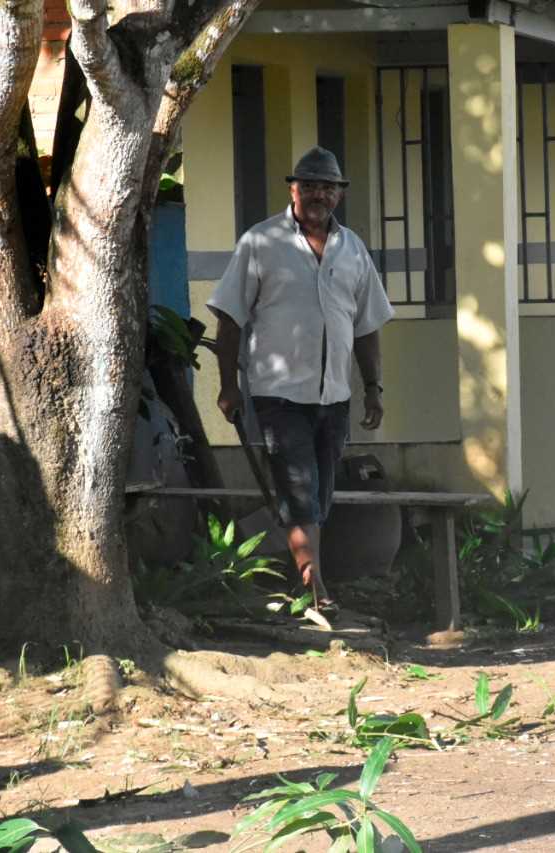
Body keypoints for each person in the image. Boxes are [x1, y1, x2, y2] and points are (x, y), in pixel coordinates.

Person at [208, 146, 394, 610]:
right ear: (293, 190)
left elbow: (366, 326)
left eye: (327, 188)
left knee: (319, 494)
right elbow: (229, 318)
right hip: (279, 395)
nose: (318, 195)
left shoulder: (352, 249)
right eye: (309, 185)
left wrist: (373, 388)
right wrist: (228, 386)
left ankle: (305, 582)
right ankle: (316, 589)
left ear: (339, 194)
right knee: (298, 488)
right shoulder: (260, 242)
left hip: (334, 396)